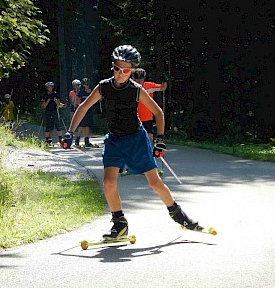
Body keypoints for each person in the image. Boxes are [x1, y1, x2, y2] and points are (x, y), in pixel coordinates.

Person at [61, 45, 202, 240]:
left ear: (132, 71)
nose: (120, 74)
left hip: (136, 139)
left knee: (154, 182)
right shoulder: (103, 86)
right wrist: (69, 132)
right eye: (117, 69)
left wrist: (159, 140)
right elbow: (84, 107)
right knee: (109, 182)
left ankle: (179, 215)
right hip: (114, 140)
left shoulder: (136, 90)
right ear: (113, 67)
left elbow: (158, 113)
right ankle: (119, 224)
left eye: (126, 70)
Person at [133, 68, 167, 145]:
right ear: (133, 79)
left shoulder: (149, 86)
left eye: (141, 79)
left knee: (149, 137)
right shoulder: (130, 87)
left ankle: (149, 152)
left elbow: (163, 88)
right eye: (136, 79)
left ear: (144, 79)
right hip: (134, 117)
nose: (138, 81)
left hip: (147, 117)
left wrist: (165, 81)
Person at [40, 81, 62, 145]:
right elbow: (43, 106)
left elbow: (58, 104)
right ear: (47, 88)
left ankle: (60, 139)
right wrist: (48, 100)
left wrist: (55, 101)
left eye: (51, 87)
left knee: (58, 125)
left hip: (54, 111)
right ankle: (47, 139)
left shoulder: (55, 94)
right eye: (48, 87)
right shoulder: (45, 95)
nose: (50, 88)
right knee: (48, 126)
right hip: (48, 111)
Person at [75, 77, 93, 147]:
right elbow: (78, 101)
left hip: (89, 110)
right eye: (85, 84)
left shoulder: (91, 92)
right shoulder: (81, 92)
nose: (86, 85)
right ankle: (77, 140)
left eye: (87, 84)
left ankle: (87, 140)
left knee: (87, 125)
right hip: (82, 110)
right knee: (81, 125)